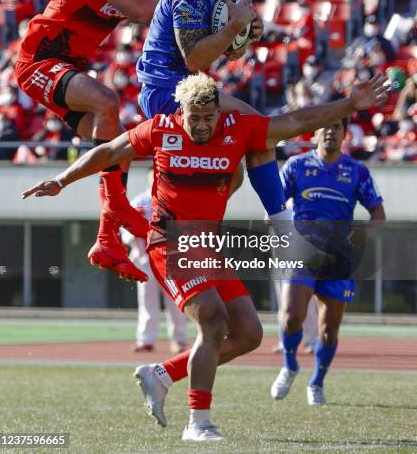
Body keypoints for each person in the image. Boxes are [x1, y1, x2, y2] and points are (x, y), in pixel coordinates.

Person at [22, 71, 387, 441]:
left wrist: (350, 104)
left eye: (207, 118)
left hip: (207, 248)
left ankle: (161, 374)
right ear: (181, 111)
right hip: (169, 243)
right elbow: (109, 152)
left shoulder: (238, 129)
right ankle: (198, 422)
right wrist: (62, 180)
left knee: (248, 333)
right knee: (213, 322)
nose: (200, 125)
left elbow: (293, 122)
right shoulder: (160, 129)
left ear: (219, 111)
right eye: (193, 117)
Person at [15, 0, 166, 281]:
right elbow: (139, 11)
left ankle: (106, 241)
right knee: (107, 101)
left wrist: (227, 21)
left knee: (119, 144)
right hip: (39, 61)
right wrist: (195, 15)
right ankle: (117, 205)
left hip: (66, 68)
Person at [136, 0, 287, 238]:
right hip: (166, 90)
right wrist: (235, 26)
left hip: (186, 88)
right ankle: (281, 219)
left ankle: (180, 218)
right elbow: (193, 59)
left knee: (234, 173)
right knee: (258, 128)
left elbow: (231, 52)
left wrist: (246, 35)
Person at [270, 118, 386, 406]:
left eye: (337, 127)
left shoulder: (357, 171)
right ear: (316, 131)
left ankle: (317, 382)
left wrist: (363, 232)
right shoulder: (296, 166)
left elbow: (378, 216)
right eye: (326, 126)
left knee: (327, 331)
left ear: (345, 134)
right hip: (302, 252)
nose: (330, 131)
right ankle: (289, 365)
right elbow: (274, 206)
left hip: (338, 259)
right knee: (291, 315)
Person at [121, 169, 188, 353]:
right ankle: (145, 340)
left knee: (175, 301)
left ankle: (179, 340)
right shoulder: (140, 202)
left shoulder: (173, 200)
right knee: (147, 301)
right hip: (146, 259)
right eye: (153, 178)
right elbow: (127, 230)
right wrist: (139, 251)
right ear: (148, 180)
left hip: (172, 260)